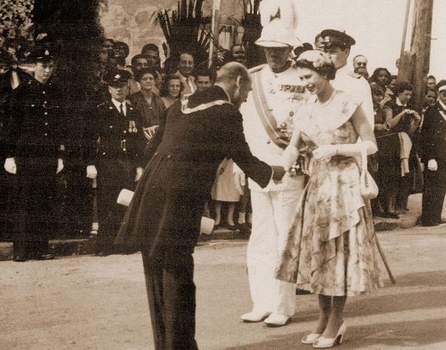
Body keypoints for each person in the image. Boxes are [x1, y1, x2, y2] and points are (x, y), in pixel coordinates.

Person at [114, 62, 286, 350]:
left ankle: (166, 345)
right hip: (179, 200)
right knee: (179, 274)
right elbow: (246, 159)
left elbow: (149, 150)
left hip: (150, 193)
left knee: (155, 272)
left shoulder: (180, 104)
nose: (246, 99)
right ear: (238, 83)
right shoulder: (227, 113)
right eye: (247, 92)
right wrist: (276, 171)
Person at [276, 50, 382, 348]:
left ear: (324, 73)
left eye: (309, 77)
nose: (305, 83)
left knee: (340, 255)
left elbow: (370, 145)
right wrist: (275, 171)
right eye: (301, 78)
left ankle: (336, 321)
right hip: (318, 188)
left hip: (345, 189)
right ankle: (323, 319)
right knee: (320, 254)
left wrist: (337, 150)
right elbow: (294, 148)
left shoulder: (348, 103)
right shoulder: (305, 109)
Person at [234, 15, 306, 327]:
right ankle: (261, 302)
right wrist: (241, 165)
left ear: (291, 48)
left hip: (290, 168)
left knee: (285, 239)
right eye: (268, 48)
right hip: (258, 166)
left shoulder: (305, 78)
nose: (272, 54)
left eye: (278, 48)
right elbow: (245, 124)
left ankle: (282, 306)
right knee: (260, 237)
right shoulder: (253, 77)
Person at [3, 46, 65, 261]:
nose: (47, 70)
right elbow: (12, 126)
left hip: (47, 155)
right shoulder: (21, 91)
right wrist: (9, 155)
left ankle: (40, 247)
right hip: (26, 155)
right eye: (42, 66)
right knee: (24, 201)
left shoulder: (56, 92)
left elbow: (58, 128)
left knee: (44, 200)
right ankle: (21, 249)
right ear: (34, 67)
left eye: (50, 66)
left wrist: (59, 155)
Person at [85, 69, 146, 256]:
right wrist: (91, 163)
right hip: (108, 162)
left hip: (127, 163)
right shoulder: (101, 111)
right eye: (114, 86)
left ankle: (124, 243)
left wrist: (139, 166)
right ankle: (105, 244)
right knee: (107, 203)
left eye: (121, 86)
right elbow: (89, 138)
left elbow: (138, 141)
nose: (118, 90)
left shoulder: (134, 112)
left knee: (126, 202)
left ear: (127, 88)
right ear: (109, 89)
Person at [321, 28, 374, 129]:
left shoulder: (358, 83)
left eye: (332, 52)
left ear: (346, 52)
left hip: (345, 142)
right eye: (325, 52)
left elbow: (367, 124)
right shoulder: (321, 79)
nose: (327, 56)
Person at [383, 81, 421, 214]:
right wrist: (401, 114)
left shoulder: (410, 106)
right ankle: (389, 207)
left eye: (410, 95)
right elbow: (389, 125)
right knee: (392, 175)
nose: (408, 97)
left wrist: (416, 121)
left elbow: (409, 131)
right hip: (391, 143)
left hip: (405, 143)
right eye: (406, 94)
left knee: (405, 175)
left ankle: (400, 205)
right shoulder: (390, 105)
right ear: (399, 93)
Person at [419, 80, 446, 226]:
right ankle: (428, 218)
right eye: (444, 94)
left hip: (445, 155)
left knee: (441, 187)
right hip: (435, 156)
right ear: (440, 95)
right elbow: (425, 136)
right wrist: (429, 158)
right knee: (432, 187)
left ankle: (436, 216)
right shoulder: (432, 111)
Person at [129, 67, 165, 141]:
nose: (148, 81)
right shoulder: (133, 99)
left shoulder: (159, 100)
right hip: (139, 137)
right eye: (144, 79)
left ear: (154, 81)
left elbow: (163, 119)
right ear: (139, 81)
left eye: (151, 79)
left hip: (157, 137)